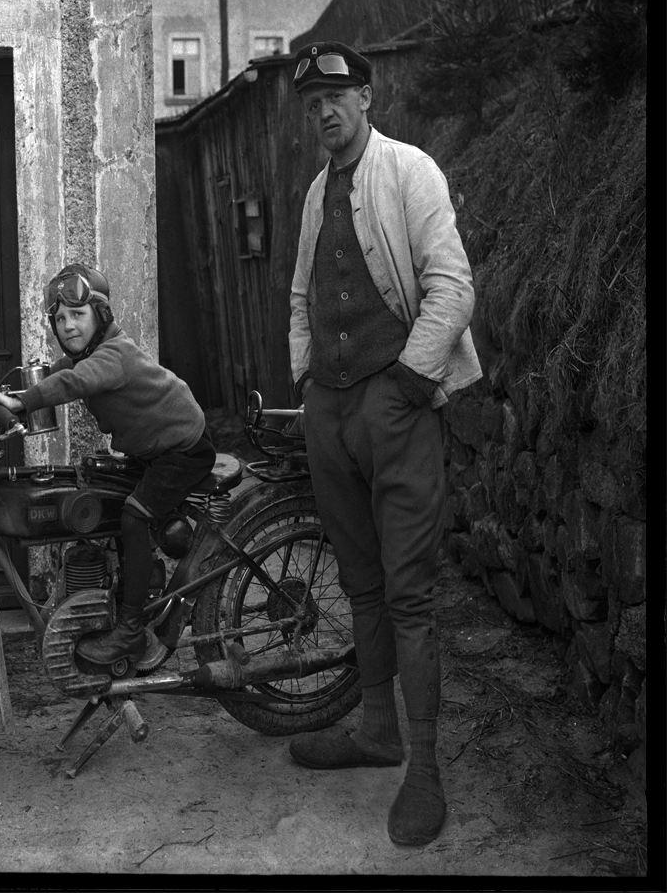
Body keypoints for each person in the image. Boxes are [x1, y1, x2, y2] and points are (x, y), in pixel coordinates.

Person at [286, 42, 483, 847]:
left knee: (409, 594)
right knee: (360, 582)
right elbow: (300, 292)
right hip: (329, 413)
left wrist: (406, 382)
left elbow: (453, 285)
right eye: (314, 104)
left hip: (392, 405)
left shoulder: (411, 172)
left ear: (367, 98)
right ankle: (376, 729)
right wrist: (303, 379)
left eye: (338, 97)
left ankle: (425, 771)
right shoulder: (313, 193)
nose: (326, 112)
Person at [0, 263, 215, 665]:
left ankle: (128, 633)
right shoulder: (86, 355)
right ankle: (132, 601)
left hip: (182, 450)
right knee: (106, 496)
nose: (67, 326)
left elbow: (75, 382)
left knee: (133, 518)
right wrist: (0, 395)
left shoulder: (114, 354)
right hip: (151, 450)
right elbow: (57, 375)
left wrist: (22, 402)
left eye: (78, 315)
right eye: (59, 319)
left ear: (101, 315)